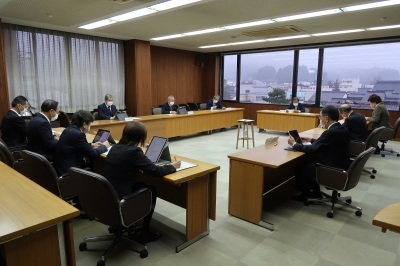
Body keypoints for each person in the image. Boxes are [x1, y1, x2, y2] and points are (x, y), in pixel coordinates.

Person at [105, 121, 181, 243]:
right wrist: (173, 166)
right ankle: (145, 233)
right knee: (151, 190)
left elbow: (125, 164)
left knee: (141, 185)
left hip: (109, 193)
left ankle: (128, 221)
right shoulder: (134, 152)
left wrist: (138, 165)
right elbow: (156, 171)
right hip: (121, 196)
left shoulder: (115, 148)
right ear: (140, 138)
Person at [288, 105, 350, 202]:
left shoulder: (330, 132)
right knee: (309, 162)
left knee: (299, 167)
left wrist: (294, 144)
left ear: (326, 118)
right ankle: (316, 192)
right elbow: (327, 142)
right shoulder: (341, 129)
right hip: (341, 163)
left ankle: (306, 194)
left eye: (320, 117)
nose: (319, 119)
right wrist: (311, 140)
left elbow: (312, 149)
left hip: (330, 167)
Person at [53, 110, 110, 176]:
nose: (90, 127)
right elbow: (92, 154)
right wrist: (104, 146)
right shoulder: (79, 134)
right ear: (84, 124)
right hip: (70, 171)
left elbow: (76, 145)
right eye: (90, 124)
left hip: (61, 167)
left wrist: (92, 145)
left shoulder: (68, 129)